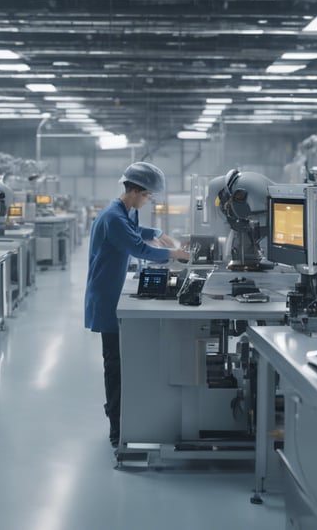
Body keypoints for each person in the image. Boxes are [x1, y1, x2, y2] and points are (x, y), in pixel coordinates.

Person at [84, 161, 189, 448]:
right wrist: (175, 254)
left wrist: (156, 232)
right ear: (138, 191)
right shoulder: (114, 218)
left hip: (111, 290)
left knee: (119, 360)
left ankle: (119, 415)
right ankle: (117, 427)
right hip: (107, 295)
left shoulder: (121, 212)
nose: (148, 200)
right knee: (115, 363)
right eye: (148, 196)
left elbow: (137, 231)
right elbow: (137, 247)